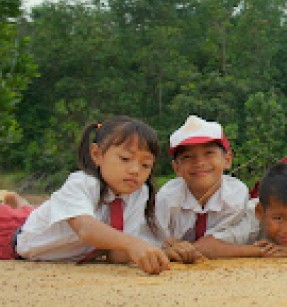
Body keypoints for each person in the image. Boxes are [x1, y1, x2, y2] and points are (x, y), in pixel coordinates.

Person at [13, 116, 199, 274]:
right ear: (97, 154)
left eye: (146, 165)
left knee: (34, 210)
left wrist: (159, 252)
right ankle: (18, 206)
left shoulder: (139, 194)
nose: (135, 170)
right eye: (125, 159)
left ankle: (22, 206)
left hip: (66, 249)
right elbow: (87, 229)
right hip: (15, 240)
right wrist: (133, 244)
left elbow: (116, 253)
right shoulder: (81, 183)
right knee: (14, 215)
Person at [155, 115, 251, 259]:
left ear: (227, 160)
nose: (199, 162)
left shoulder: (236, 195)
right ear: (177, 168)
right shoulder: (167, 197)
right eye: (188, 157)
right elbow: (157, 238)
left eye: (209, 153)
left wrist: (189, 247)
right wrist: (169, 245)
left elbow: (218, 243)